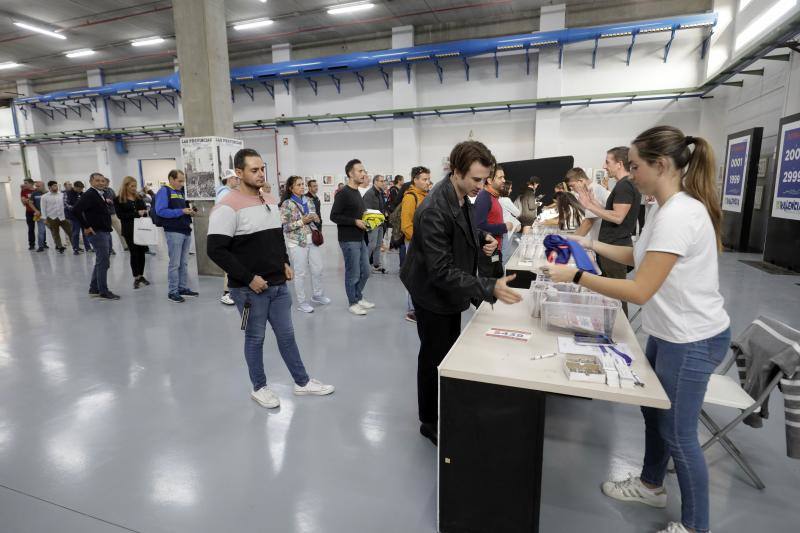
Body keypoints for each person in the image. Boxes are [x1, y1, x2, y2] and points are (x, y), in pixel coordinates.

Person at [543, 126, 730, 533]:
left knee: (680, 436)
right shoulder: (664, 209)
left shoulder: (681, 213)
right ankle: (650, 484)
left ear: (660, 165)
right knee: (653, 411)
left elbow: (641, 288)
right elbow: (636, 255)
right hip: (670, 333)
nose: (628, 175)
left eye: (633, 166)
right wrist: (590, 246)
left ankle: (696, 526)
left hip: (692, 338)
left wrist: (575, 276)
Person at [400, 140, 522, 446]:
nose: (481, 187)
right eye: (476, 180)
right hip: (432, 293)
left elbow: (466, 225)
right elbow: (441, 271)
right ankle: (429, 421)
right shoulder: (433, 209)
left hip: (449, 289)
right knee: (433, 357)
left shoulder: (461, 195)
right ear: (456, 171)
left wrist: (483, 238)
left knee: (447, 352)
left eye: (484, 180)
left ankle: (447, 405)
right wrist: (488, 287)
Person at [207, 148, 334, 409]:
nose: (260, 173)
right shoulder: (227, 206)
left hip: (277, 285)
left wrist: (284, 262)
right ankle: (259, 387)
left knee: (287, 336)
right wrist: (248, 278)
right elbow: (215, 250)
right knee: (254, 338)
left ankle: (302, 382)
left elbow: (275, 235)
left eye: (262, 168)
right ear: (239, 173)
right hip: (247, 289)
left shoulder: (268, 198)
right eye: (254, 170)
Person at [577, 147, 641, 315]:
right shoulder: (623, 185)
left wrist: (590, 206)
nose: (604, 166)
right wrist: (594, 204)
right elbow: (611, 213)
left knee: (616, 296)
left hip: (615, 247)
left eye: (607, 162)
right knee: (610, 294)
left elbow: (618, 217)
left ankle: (621, 334)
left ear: (619, 164)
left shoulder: (625, 185)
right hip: (612, 246)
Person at [280, 176, 330, 313]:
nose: (302, 187)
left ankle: (317, 295)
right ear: (291, 188)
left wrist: (316, 219)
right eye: (298, 185)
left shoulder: (308, 200)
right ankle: (302, 302)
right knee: (301, 273)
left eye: (303, 184)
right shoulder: (286, 204)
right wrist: (302, 221)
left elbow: (315, 217)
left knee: (318, 269)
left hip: (312, 240)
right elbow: (286, 227)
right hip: (297, 242)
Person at [330, 158, 373, 316]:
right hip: (348, 239)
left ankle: (358, 296)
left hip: (359, 238)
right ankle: (352, 302)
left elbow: (358, 214)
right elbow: (334, 216)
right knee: (353, 272)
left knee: (366, 271)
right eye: (360, 171)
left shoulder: (356, 193)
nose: (363, 173)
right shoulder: (343, 194)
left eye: (364, 171)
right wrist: (354, 221)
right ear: (350, 173)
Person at [72, 172, 119, 300]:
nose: (100, 183)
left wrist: (106, 202)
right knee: (103, 262)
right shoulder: (90, 194)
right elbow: (76, 210)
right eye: (97, 180)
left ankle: (94, 288)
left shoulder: (99, 194)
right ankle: (103, 291)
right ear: (91, 182)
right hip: (97, 232)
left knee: (101, 261)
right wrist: (86, 226)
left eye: (102, 181)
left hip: (104, 231)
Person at [155, 169, 198, 303]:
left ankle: (182, 287)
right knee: (174, 263)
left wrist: (188, 212)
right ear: (171, 179)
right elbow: (160, 211)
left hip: (185, 229)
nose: (181, 183)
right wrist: (181, 211)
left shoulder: (179, 192)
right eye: (179, 181)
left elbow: (181, 210)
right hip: (173, 231)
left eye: (182, 181)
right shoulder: (164, 191)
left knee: (184, 263)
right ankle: (173, 291)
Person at [400, 166, 432, 323]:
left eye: (428, 179)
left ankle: (421, 306)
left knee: (423, 277)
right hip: (414, 244)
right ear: (415, 180)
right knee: (413, 276)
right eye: (424, 179)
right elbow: (406, 225)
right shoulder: (410, 198)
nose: (427, 182)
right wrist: (420, 242)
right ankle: (412, 311)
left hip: (425, 244)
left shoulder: (426, 196)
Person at [474, 164, 514, 278]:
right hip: (488, 252)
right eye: (500, 177)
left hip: (495, 251)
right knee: (489, 288)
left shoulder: (492, 197)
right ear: (490, 180)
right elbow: (479, 225)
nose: (504, 180)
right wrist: (504, 227)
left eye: (504, 177)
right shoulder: (484, 197)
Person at [114, 176, 150, 289]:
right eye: (132, 186)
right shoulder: (118, 199)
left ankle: (141, 275)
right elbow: (121, 216)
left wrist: (144, 212)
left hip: (141, 229)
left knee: (142, 253)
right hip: (129, 230)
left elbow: (144, 210)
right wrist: (136, 214)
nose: (134, 188)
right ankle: (136, 277)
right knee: (134, 253)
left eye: (135, 186)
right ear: (126, 186)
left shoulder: (139, 197)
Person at [566, 167, 610, 242]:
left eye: (572, 186)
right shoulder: (593, 188)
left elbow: (589, 222)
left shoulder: (593, 190)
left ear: (581, 181)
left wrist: (569, 241)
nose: (572, 189)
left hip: (604, 238)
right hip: (599, 236)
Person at [216, 169, 240, 305]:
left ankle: (231, 290)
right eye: (236, 178)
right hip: (227, 233)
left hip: (229, 231)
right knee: (229, 263)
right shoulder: (224, 194)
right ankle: (226, 293)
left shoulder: (226, 193)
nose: (238, 181)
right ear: (230, 179)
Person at [363, 174, 388, 274]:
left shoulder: (380, 192)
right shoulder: (370, 193)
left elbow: (382, 206)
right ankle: (364, 265)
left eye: (383, 181)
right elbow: (366, 210)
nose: (383, 183)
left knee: (378, 245)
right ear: (375, 182)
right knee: (372, 245)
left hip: (380, 223)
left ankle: (376, 265)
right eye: (381, 181)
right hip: (373, 223)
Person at [40, 180, 73, 254]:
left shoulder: (62, 195)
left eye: (56, 185)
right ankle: (59, 246)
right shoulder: (44, 197)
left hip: (63, 217)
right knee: (55, 233)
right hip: (51, 218)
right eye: (54, 186)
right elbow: (43, 208)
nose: (56, 187)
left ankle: (75, 246)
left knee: (70, 231)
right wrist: (44, 219)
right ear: (49, 187)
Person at [65, 181, 93, 253]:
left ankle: (88, 248)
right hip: (73, 217)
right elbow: (67, 205)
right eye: (80, 189)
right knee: (76, 233)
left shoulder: (82, 194)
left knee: (85, 232)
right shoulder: (68, 194)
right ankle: (75, 248)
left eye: (82, 189)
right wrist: (76, 209)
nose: (81, 190)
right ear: (75, 187)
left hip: (83, 217)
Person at [102, 178, 124, 253]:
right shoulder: (99, 192)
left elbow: (116, 200)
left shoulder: (111, 190)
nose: (106, 184)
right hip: (104, 215)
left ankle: (126, 246)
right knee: (107, 234)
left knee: (121, 230)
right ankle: (110, 249)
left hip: (113, 214)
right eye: (105, 182)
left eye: (108, 183)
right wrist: (105, 201)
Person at [498, 181, 521, 254]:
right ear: (505, 189)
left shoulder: (497, 198)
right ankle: (501, 265)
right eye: (510, 188)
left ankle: (496, 264)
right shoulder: (505, 200)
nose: (511, 190)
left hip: (497, 227)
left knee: (498, 249)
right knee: (505, 251)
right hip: (506, 228)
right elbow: (517, 213)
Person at [20, 178, 37, 250]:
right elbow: (24, 202)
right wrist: (28, 200)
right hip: (29, 212)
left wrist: (28, 200)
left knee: (42, 228)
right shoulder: (23, 191)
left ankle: (43, 243)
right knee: (31, 228)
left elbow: (38, 201)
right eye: (24, 183)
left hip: (37, 212)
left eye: (26, 183)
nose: (24, 184)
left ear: (31, 183)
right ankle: (31, 244)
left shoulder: (37, 190)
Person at [31, 181, 48, 252]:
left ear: (43, 186)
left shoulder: (48, 193)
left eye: (38, 186)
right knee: (41, 230)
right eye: (36, 186)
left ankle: (58, 245)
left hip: (49, 215)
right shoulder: (34, 193)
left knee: (54, 230)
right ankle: (41, 246)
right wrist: (36, 211)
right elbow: (30, 203)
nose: (37, 187)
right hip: (39, 215)